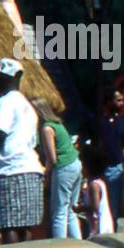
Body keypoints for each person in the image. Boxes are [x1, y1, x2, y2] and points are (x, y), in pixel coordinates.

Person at [0, 57, 44, 244]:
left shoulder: (5, 102)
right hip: (31, 170)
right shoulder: (28, 107)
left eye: (0, 77)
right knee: (25, 226)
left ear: (10, 79)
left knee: (9, 225)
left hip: (11, 171)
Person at [33, 98, 81, 239]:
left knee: (59, 210)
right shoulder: (58, 124)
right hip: (75, 164)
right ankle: (78, 242)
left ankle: (59, 245)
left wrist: (47, 175)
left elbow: (52, 158)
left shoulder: (47, 128)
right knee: (69, 209)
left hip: (63, 167)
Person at [98, 89, 124, 222]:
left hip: (116, 169)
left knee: (113, 208)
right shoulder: (98, 121)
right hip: (99, 170)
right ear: (108, 102)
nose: (122, 103)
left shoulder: (122, 121)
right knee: (99, 208)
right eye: (118, 100)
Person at [82, 144, 114, 235]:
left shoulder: (94, 186)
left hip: (100, 227)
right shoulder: (100, 182)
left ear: (88, 168)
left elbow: (95, 208)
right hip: (100, 225)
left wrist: (81, 208)